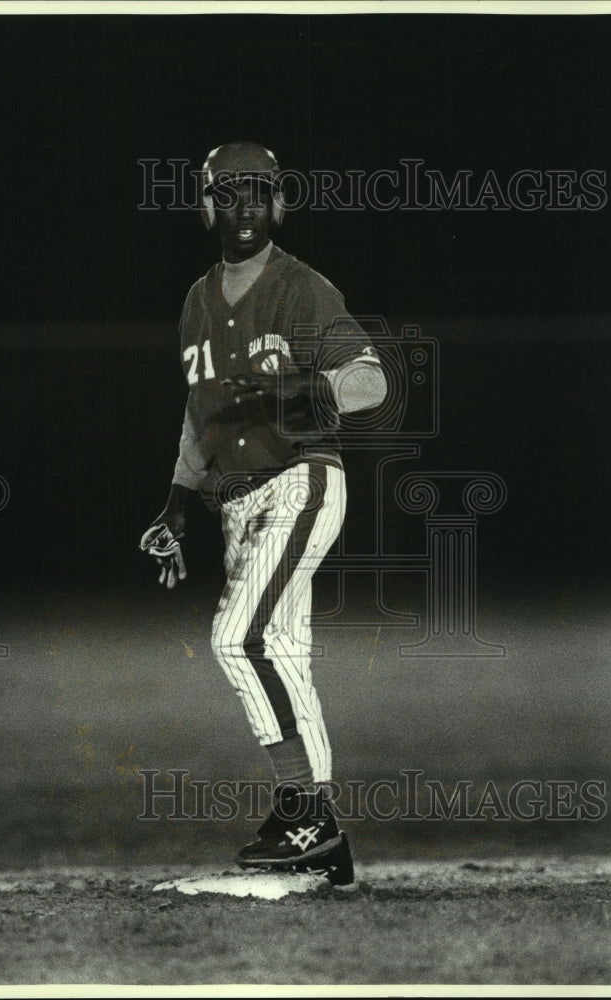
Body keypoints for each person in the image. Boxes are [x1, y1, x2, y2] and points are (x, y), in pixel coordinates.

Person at [141, 141, 387, 890]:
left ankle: (303, 810)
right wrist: (179, 503)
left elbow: (369, 381)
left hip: (301, 479)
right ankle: (326, 844)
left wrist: (306, 395)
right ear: (206, 203)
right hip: (237, 503)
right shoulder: (194, 301)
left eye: (259, 192)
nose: (244, 206)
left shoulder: (301, 289)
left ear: (277, 203)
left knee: (237, 637)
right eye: (230, 192)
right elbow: (199, 412)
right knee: (283, 653)